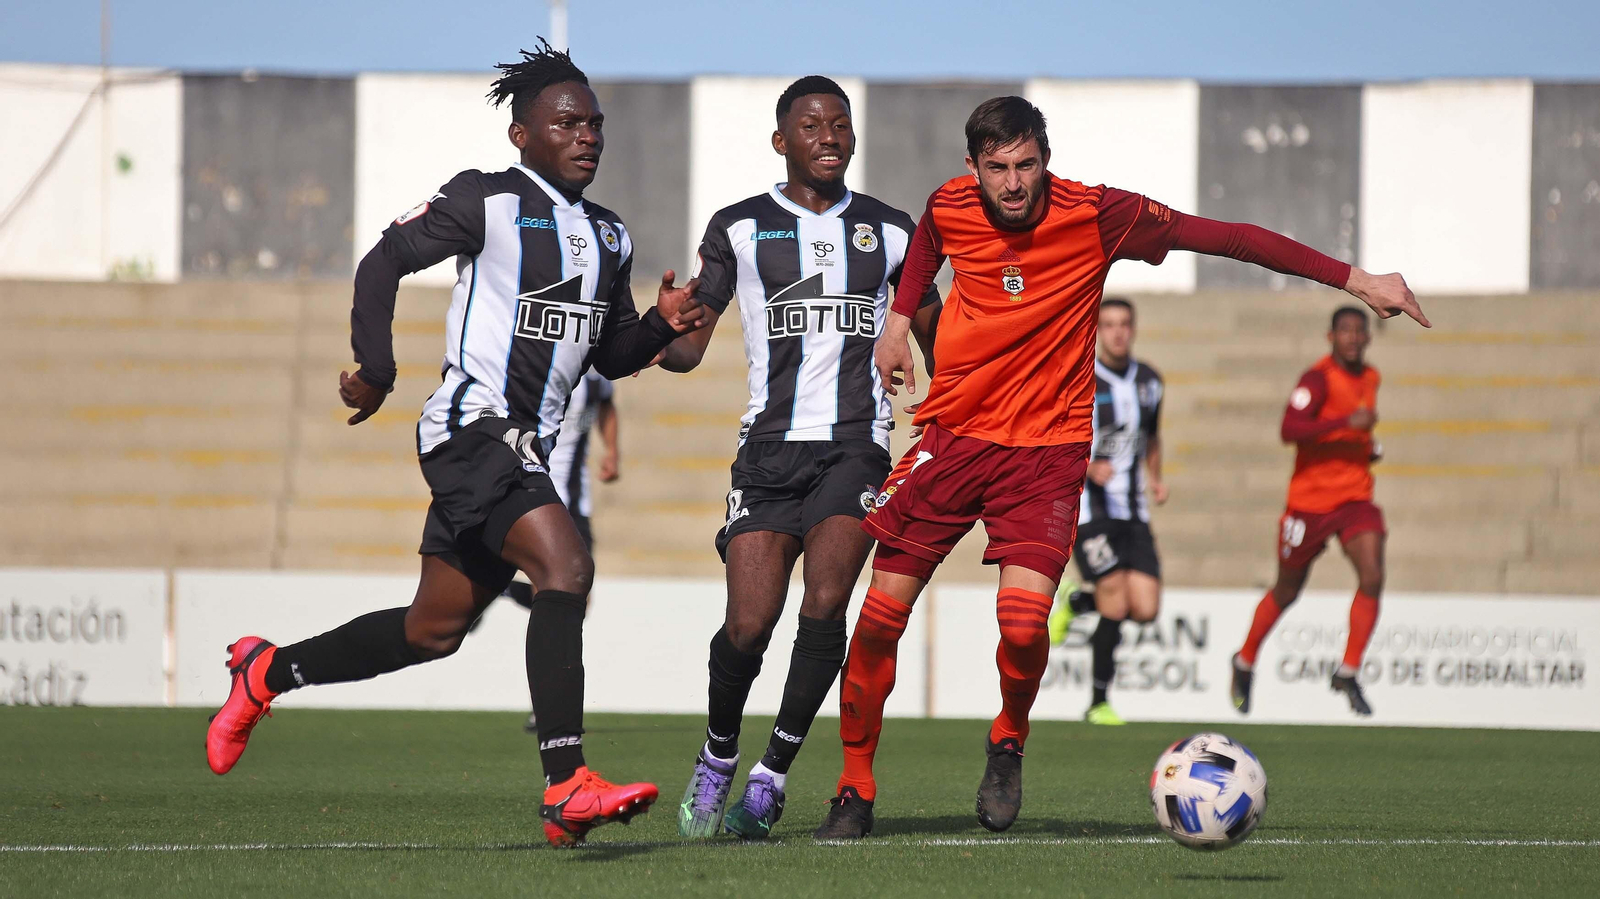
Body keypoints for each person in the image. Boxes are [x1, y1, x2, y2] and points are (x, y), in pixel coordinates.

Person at [814, 96, 1427, 840]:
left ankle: (1008, 738)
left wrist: (1356, 279)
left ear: (1047, 158)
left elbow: (1229, 237)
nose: (1014, 183)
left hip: (1046, 452)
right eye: (998, 168)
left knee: (1024, 625)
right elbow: (926, 247)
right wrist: (896, 324)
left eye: (1027, 165)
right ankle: (854, 786)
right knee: (878, 619)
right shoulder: (950, 204)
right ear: (972, 166)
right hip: (954, 439)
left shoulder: (1099, 215)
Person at [202, 41, 708, 849]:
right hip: (472, 428)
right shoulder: (488, 200)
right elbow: (384, 259)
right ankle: (567, 783)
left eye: (595, 123)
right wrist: (376, 368)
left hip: (520, 448)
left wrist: (657, 323)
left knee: (431, 630)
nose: (587, 135)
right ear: (522, 134)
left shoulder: (611, 237)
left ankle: (265, 670)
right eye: (567, 122)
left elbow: (611, 354)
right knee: (567, 567)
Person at [661, 76, 940, 840]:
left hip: (857, 445)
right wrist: (662, 332)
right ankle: (719, 752)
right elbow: (690, 345)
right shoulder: (741, 227)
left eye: (840, 124)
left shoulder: (892, 232)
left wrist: (949, 410)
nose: (829, 137)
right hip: (768, 450)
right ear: (781, 141)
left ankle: (771, 774)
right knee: (749, 624)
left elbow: (938, 337)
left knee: (825, 601)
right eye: (812, 125)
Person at [1231, 306, 1385, 717]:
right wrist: (1345, 423)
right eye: (1345, 330)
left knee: (1372, 574)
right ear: (1330, 337)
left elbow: (1353, 432)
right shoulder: (1316, 379)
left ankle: (1348, 671)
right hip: (1309, 505)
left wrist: (1366, 447)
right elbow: (1290, 429)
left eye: (1359, 331)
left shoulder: (1371, 377)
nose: (1353, 337)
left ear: (1368, 338)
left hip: (1354, 498)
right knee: (1287, 590)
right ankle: (1244, 660)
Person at [1046, 297, 1167, 726]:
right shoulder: (1081, 379)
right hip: (1090, 510)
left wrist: (1156, 477)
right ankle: (1098, 702)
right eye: (1109, 324)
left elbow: (1151, 436)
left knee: (1146, 608)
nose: (1117, 332)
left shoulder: (1150, 381)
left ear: (1133, 329)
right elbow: (1053, 439)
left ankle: (1077, 600)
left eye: (1124, 324)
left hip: (1134, 511)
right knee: (1114, 601)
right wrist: (1087, 466)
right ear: (1098, 330)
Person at [504, 370, 619, 733]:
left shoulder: (597, 373)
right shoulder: (540, 364)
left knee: (576, 601)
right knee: (557, 601)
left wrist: (612, 450)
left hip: (575, 502)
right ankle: (546, 709)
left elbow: (607, 406)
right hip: (538, 498)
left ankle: (500, 588)